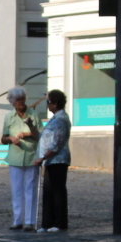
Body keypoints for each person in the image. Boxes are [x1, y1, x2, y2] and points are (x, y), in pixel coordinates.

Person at [1, 86, 41, 231]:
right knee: (17, 190)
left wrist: (28, 133)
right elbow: (3, 138)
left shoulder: (34, 115)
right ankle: (17, 220)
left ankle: (30, 221)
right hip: (15, 157)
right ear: (12, 102)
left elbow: (39, 136)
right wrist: (11, 138)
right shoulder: (9, 117)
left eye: (23, 99)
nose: (21, 102)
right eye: (18, 100)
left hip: (31, 156)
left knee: (30, 189)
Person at [34, 89, 72, 232]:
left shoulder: (61, 120)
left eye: (48, 102)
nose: (47, 105)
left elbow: (56, 143)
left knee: (57, 191)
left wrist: (42, 157)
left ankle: (60, 223)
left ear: (55, 104)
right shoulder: (54, 119)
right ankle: (47, 223)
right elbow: (43, 137)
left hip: (58, 160)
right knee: (48, 191)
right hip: (50, 161)